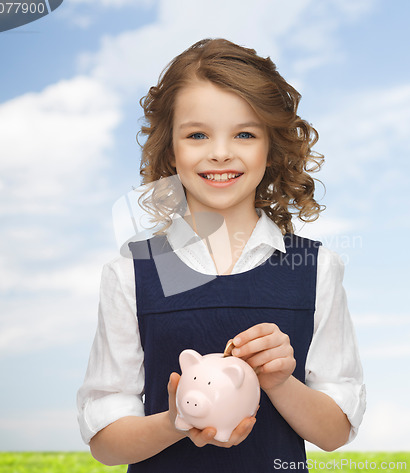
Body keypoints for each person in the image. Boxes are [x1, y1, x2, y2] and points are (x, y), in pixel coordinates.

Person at [77, 38, 366, 473]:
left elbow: (334, 433)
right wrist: (177, 421)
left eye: (245, 134)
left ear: (271, 147)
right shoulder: (131, 273)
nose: (220, 152)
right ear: (169, 148)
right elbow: (106, 445)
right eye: (197, 134)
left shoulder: (316, 269)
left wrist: (280, 382)